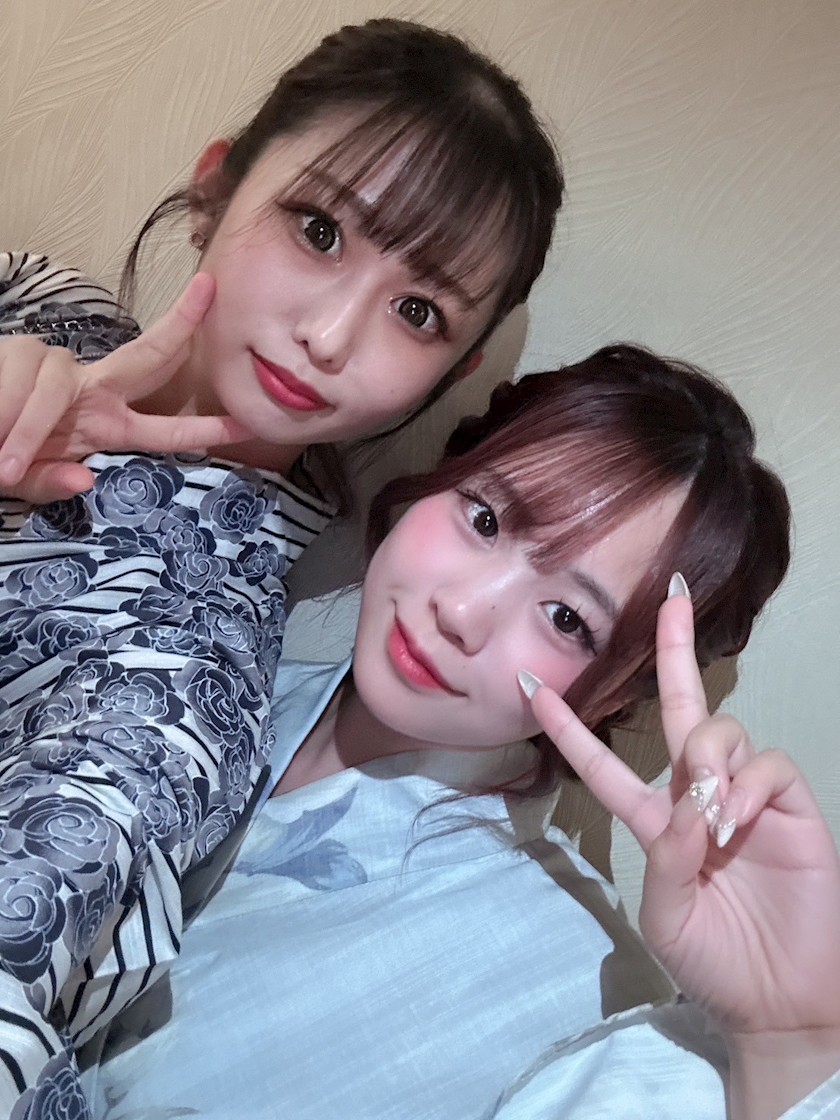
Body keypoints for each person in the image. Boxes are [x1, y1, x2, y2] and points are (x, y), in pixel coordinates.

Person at [0, 19, 564, 1116]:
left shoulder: (182, 682)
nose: (333, 335)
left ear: (455, 370)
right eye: (319, 229)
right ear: (216, 188)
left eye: (418, 311)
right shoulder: (33, 297)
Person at [74, 346, 837, 1120]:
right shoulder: (195, 663)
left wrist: (789, 1047)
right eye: (485, 518)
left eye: (567, 618)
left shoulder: (573, 974)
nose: (463, 611)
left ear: (616, 695)